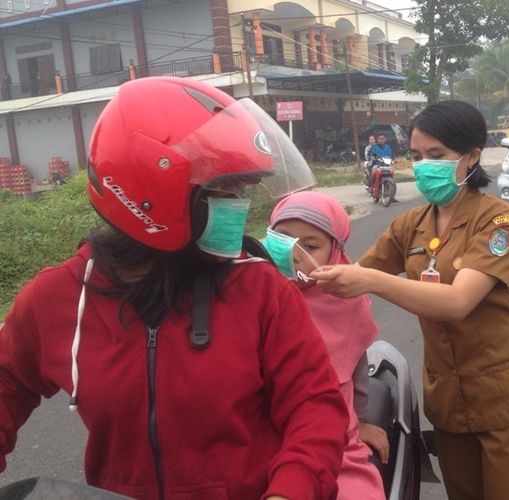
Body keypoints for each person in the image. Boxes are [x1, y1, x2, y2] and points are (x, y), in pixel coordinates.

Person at [0, 77, 349, 500]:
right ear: (151, 189)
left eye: (243, 190)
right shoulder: (60, 297)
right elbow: (8, 386)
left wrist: (291, 490)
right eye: (225, 190)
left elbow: (314, 405)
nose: (238, 206)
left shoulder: (261, 289)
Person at [312, 100, 509, 500]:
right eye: (415, 156)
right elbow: (346, 276)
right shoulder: (411, 224)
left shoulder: (498, 220)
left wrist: (370, 280)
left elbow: (458, 301)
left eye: (436, 155)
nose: (424, 165)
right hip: (449, 406)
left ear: (471, 157)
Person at [263, 191, 389, 500]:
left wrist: (363, 422)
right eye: (283, 240)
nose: (294, 255)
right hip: (262, 434)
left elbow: (357, 369)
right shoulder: (253, 293)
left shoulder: (346, 302)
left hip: (334, 439)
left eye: (310, 246)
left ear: (334, 252)